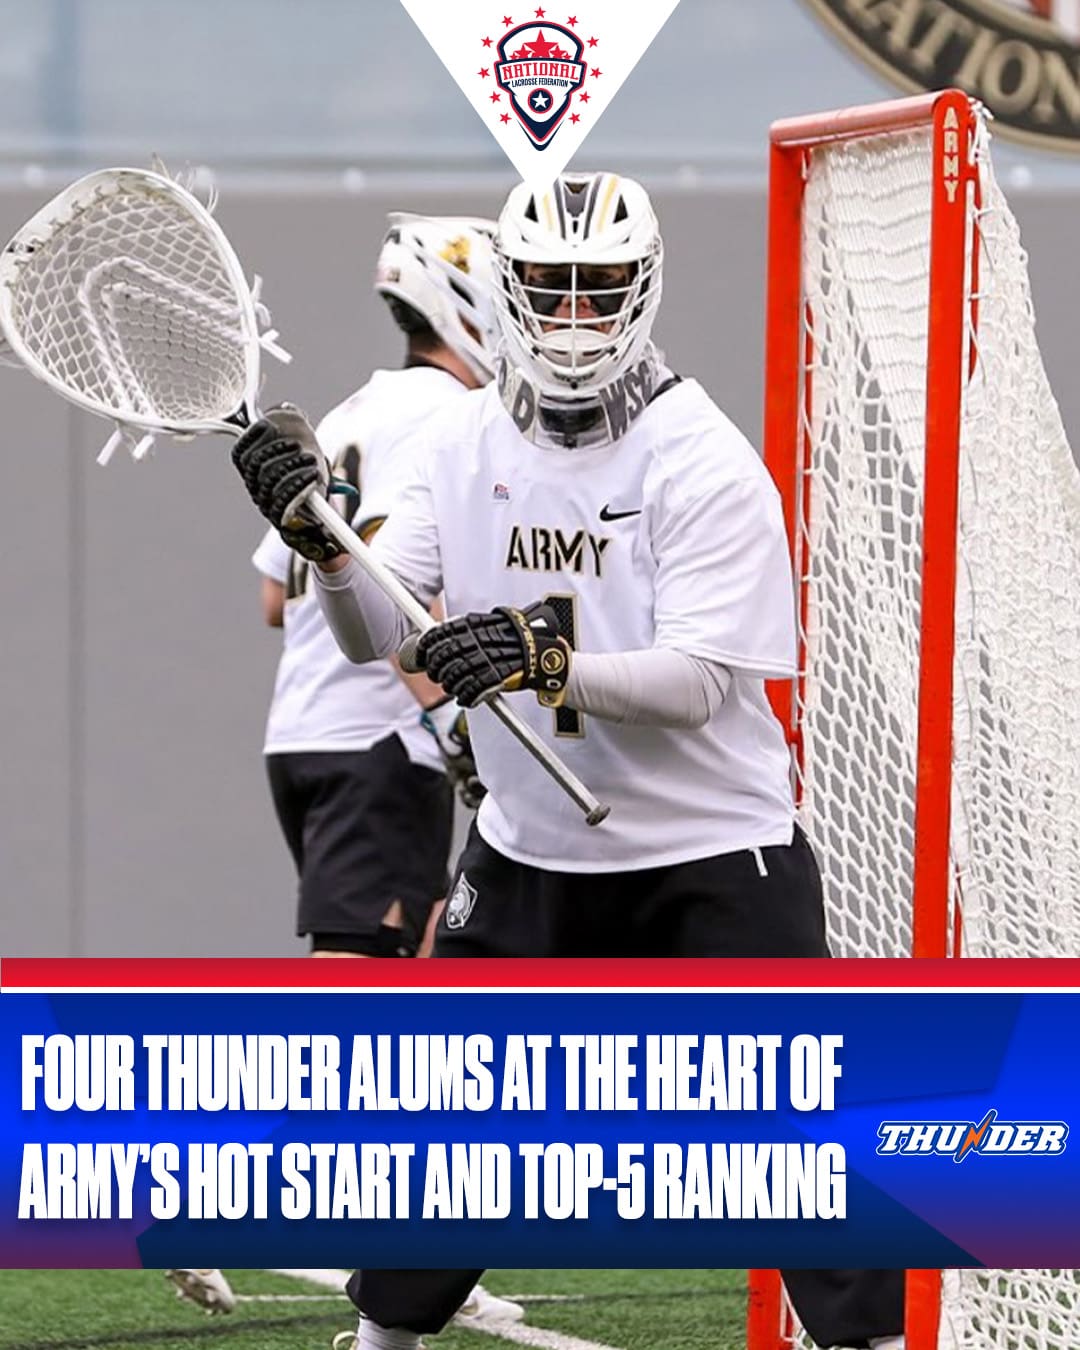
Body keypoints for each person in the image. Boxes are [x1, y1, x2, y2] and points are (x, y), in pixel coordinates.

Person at [230, 172, 905, 1349]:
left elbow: (702, 682)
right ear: (510, 288)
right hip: (532, 849)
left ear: (642, 291)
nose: (576, 316)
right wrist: (324, 552)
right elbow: (377, 632)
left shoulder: (698, 454)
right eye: (551, 286)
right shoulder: (460, 438)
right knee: (449, 1134)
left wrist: (545, 663)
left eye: (600, 289)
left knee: (802, 1140)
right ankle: (383, 1339)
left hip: (711, 852)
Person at [252, 212, 497, 960]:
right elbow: (395, 584)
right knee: (356, 976)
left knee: (421, 954)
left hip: (302, 733)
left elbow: (274, 597)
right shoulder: (452, 415)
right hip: (381, 741)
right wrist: (450, 720)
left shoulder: (351, 412)